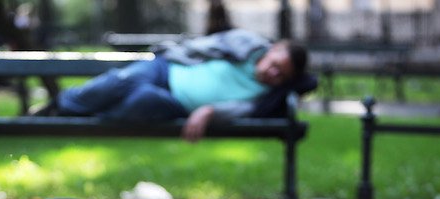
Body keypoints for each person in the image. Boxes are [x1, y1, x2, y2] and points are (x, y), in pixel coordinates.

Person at [38, 29, 316, 143]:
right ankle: (59, 107)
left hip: (176, 104)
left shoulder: (264, 97)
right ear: (271, 49)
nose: (271, 72)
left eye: (281, 74)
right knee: (120, 82)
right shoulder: (247, 43)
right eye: (273, 62)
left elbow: (237, 112)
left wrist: (208, 111)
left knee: (141, 101)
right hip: (166, 68)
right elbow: (198, 46)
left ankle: (78, 117)